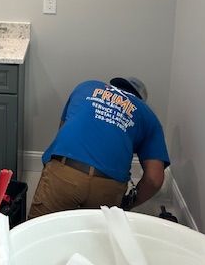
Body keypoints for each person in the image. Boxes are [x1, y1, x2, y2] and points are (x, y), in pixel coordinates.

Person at [28, 76, 170, 219]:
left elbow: (62, 130)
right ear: (140, 99)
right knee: (96, 232)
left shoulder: (86, 87)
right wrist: (128, 203)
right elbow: (154, 179)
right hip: (108, 187)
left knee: (39, 228)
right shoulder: (148, 115)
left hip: (66, 171)